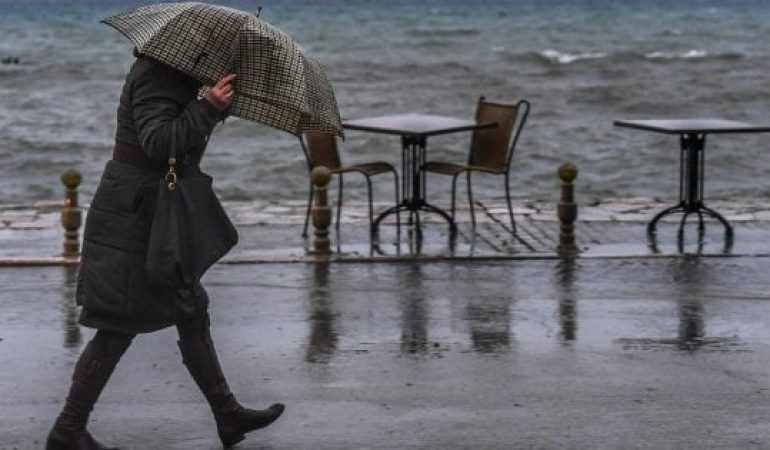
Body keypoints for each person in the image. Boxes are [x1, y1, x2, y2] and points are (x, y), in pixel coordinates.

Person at [46, 53, 284, 450]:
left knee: (189, 306)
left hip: (150, 211)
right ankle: (68, 429)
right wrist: (207, 106)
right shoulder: (156, 75)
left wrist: (215, 106)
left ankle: (227, 414)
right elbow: (158, 143)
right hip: (133, 216)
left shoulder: (174, 74)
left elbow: (177, 136)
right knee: (117, 324)